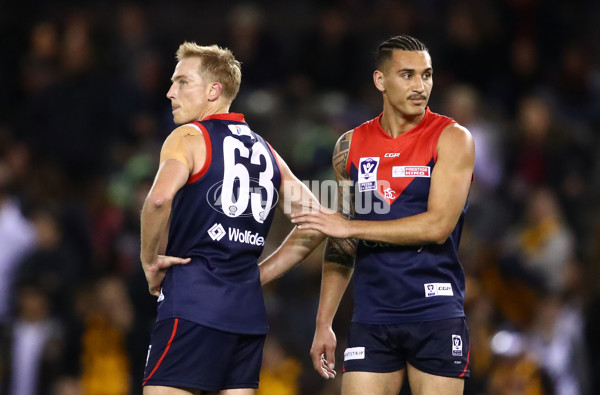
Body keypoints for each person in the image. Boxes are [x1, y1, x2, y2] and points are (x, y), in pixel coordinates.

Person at [290, 35, 475, 394]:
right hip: (372, 315)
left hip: (434, 311)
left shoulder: (452, 138)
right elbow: (342, 244)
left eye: (427, 75)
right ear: (380, 81)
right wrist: (324, 322)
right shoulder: (350, 146)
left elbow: (438, 226)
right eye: (408, 75)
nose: (421, 86)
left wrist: (348, 226)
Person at [139, 42, 323, 395]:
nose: (170, 92)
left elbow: (159, 199)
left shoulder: (188, 136)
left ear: (213, 90)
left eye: (181, 82)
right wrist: (262, 273)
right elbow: (316, 220)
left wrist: (149, 260)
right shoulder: (266, 150)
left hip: (192, 304)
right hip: (248, 316)